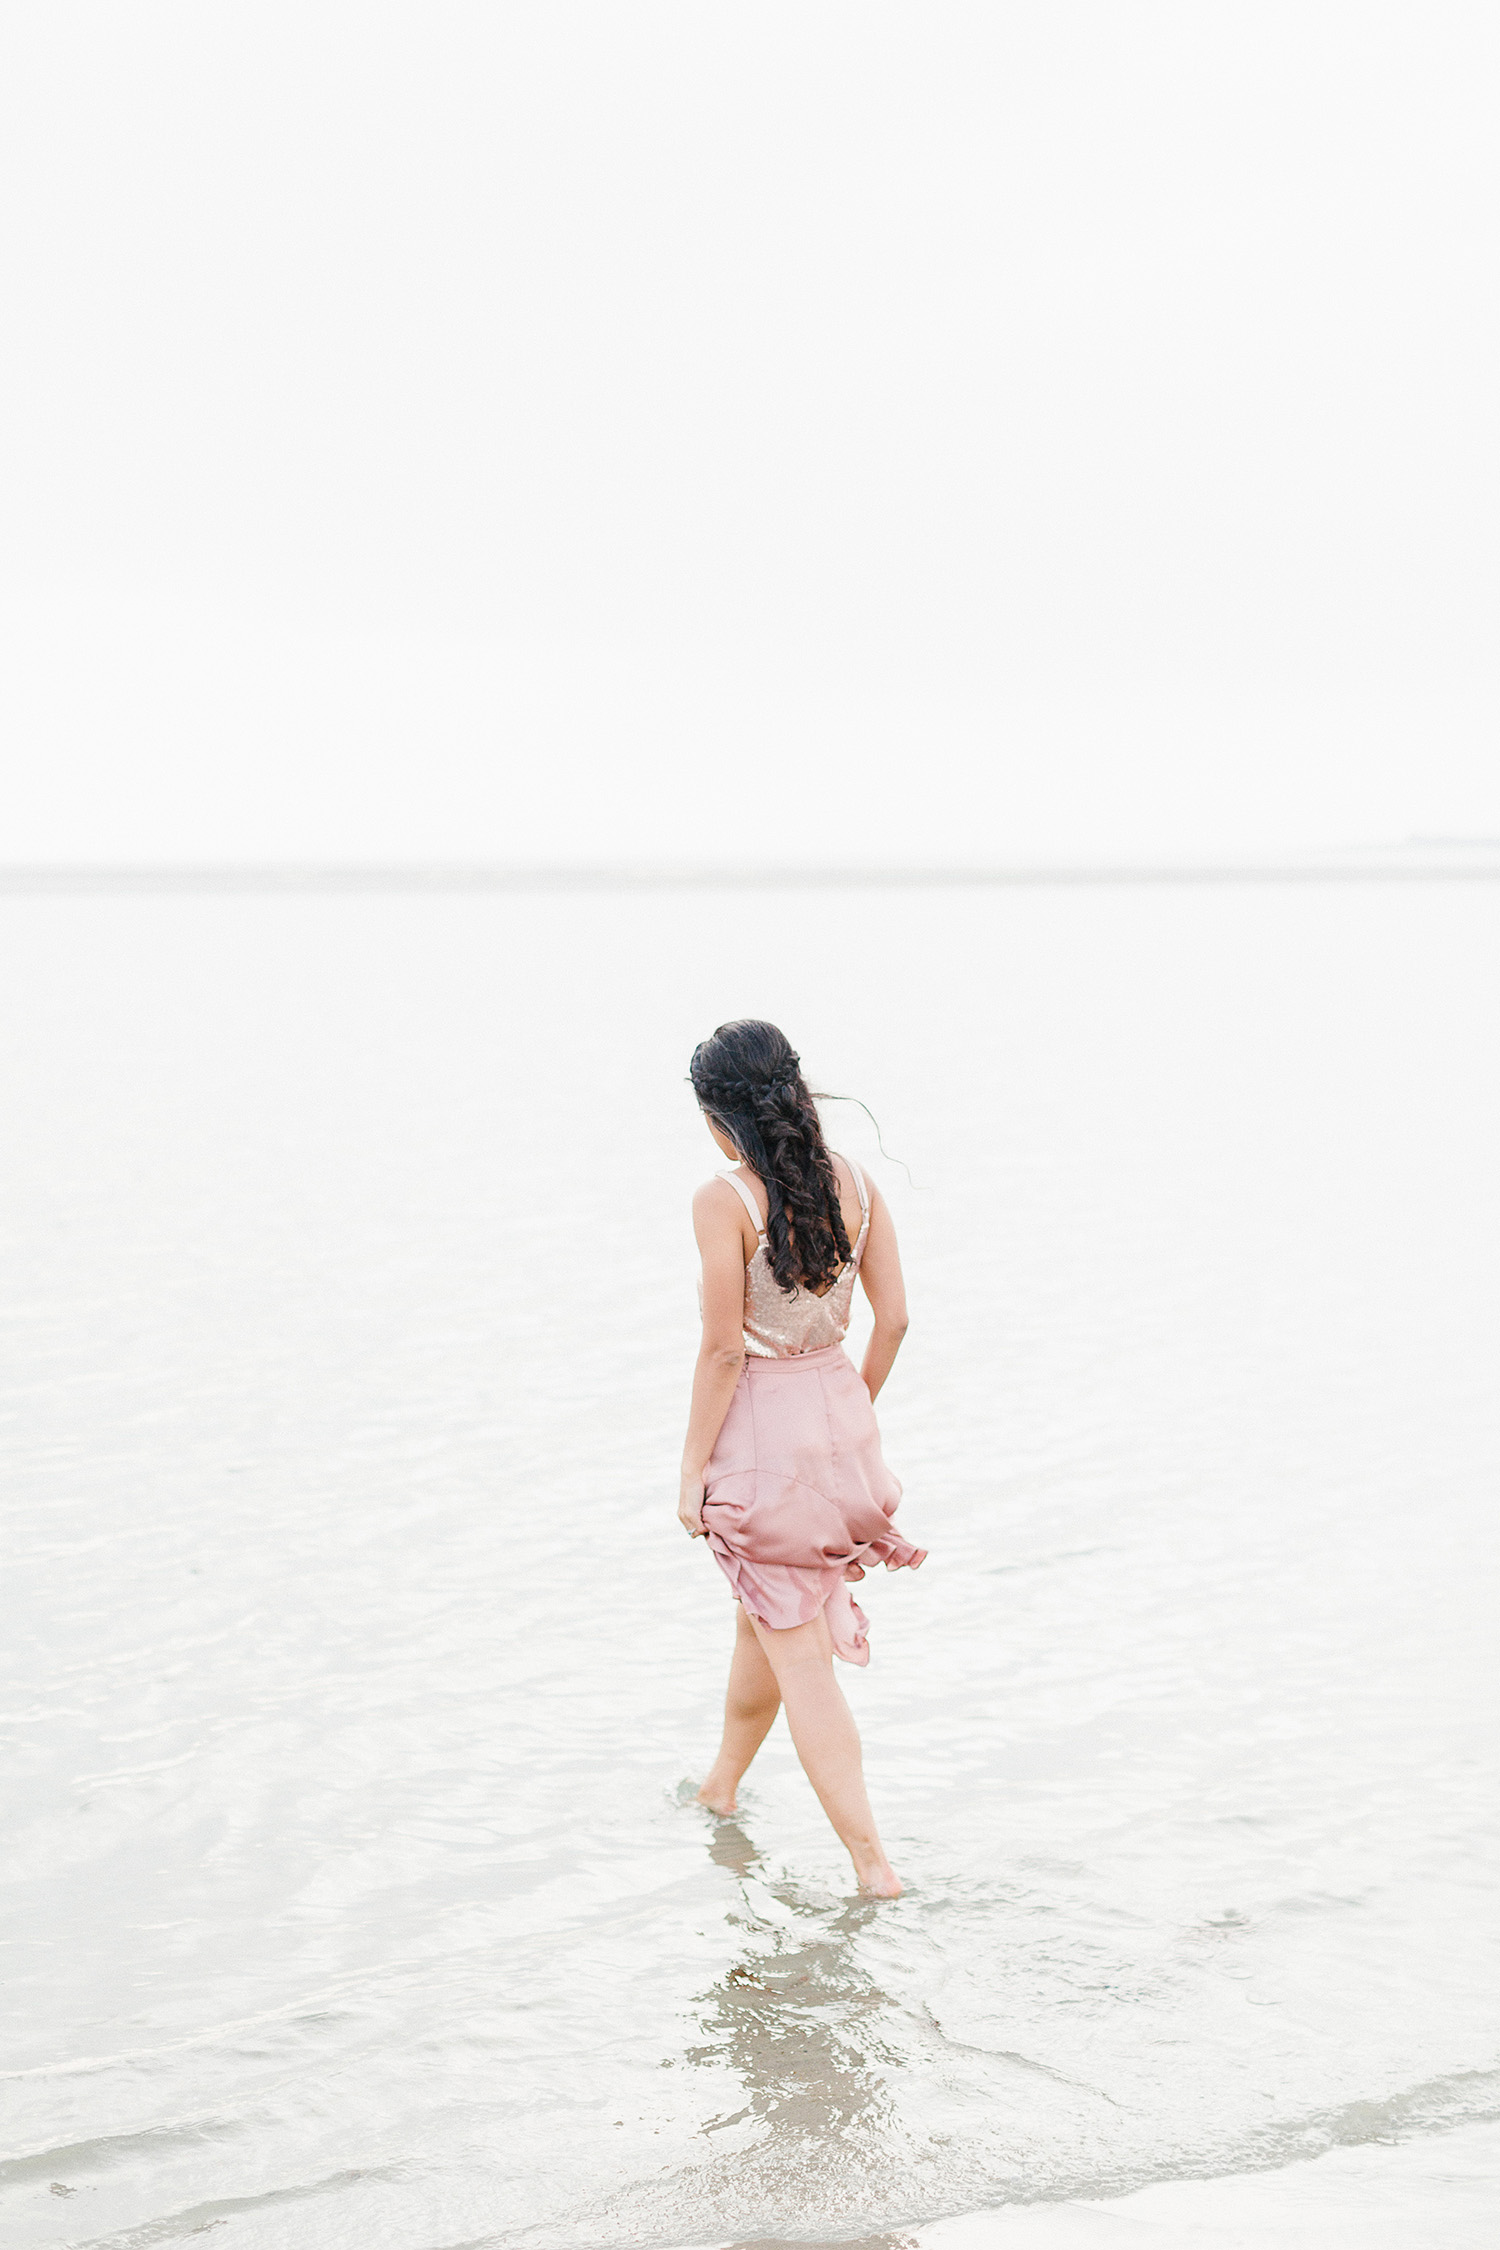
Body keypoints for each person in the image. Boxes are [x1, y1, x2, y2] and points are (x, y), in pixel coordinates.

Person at [679, 1019, 926, 1897]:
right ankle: (720, 1788)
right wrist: (848, 1408)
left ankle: (873, 1867)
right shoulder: (857, 1182)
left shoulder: (724, 1200)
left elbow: (721, 1354)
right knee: (768, 1615)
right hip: (842, 1418)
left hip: (762, 1441)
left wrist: (690, 1474)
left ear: (719, 1118)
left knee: (801, 1658)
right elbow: (892, 1320)